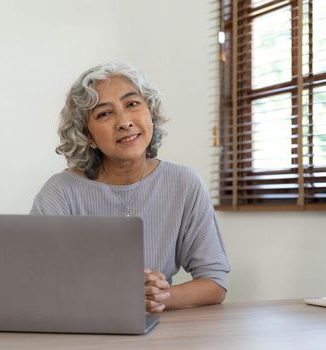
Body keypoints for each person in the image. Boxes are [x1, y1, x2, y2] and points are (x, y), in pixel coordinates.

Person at [30, 63, 230, 313]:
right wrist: (119, 296)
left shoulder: (184, 183)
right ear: (87, 135)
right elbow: (38, 284)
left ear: (150, 112)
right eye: (104, 114)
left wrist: (158, 297)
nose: (124, 122)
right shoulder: (60, 192)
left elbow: (215, 282)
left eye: (132, 104)